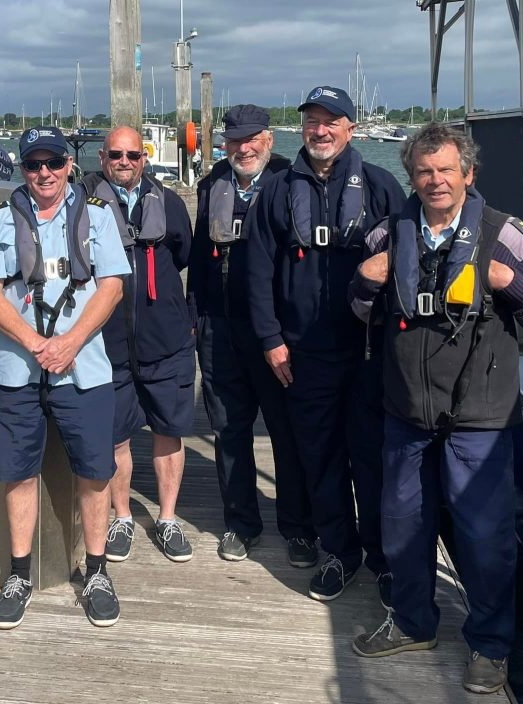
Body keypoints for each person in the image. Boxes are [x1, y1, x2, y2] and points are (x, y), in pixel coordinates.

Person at [350, 124, 523, 694]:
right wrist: (365, 283)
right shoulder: (388, 234)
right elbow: (357, 309)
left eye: (446, 170)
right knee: (403, 525)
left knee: (484, 534)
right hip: (406, 410)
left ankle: (490, 646)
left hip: (480, 414)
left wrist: (508, 283)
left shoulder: (504, 235)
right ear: (411, 176)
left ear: (468, 174)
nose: (435, 180)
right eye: (424, 171)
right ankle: (414, 621)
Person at [247, 87, 406, 602]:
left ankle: (383, 557)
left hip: (367, 353)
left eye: (330, 121)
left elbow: (408, 267)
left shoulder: (382, 189)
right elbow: (257, 272)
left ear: (350, 129)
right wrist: (271, 339)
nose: (320, 131)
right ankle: (340, 551)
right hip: (303, 354)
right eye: (312, 121)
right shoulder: (275, 192)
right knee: (319, 457)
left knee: (373, 459)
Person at [0, 126, 130, 629]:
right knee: (18, 471)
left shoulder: (97, 217)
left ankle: (98, 569)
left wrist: (69, 342)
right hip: (19, 371)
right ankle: (19, 574)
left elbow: (111, 287)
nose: (44, 173)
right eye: (34, 165)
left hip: (85, 369)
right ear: (22, 169)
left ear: (69, 165)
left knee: (95, 469)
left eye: (53, 163)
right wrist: (36, 343)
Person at [188, 104, 317, 565]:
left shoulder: (291, 183)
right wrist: (195, 314)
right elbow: (202, 257)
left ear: (268, 139)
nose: (243, 148)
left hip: (274, 333)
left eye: (251, 139)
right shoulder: (211, 186)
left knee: (285, 430)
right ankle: (241, 523)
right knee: (229, 429)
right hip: (219, 330)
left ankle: (298, 526)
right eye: (234, 140)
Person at [79, 126, 195, 563]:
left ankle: (167, 518)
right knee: (115, 436)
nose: (124, 162)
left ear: (144, 158)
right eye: (116, 154)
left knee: (169, 429)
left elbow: (183, 254)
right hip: (105, 343)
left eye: (133, 154)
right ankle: (122, 516)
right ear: (101, 156)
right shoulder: (82, 205)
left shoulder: (167, 203)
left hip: (165, 340)